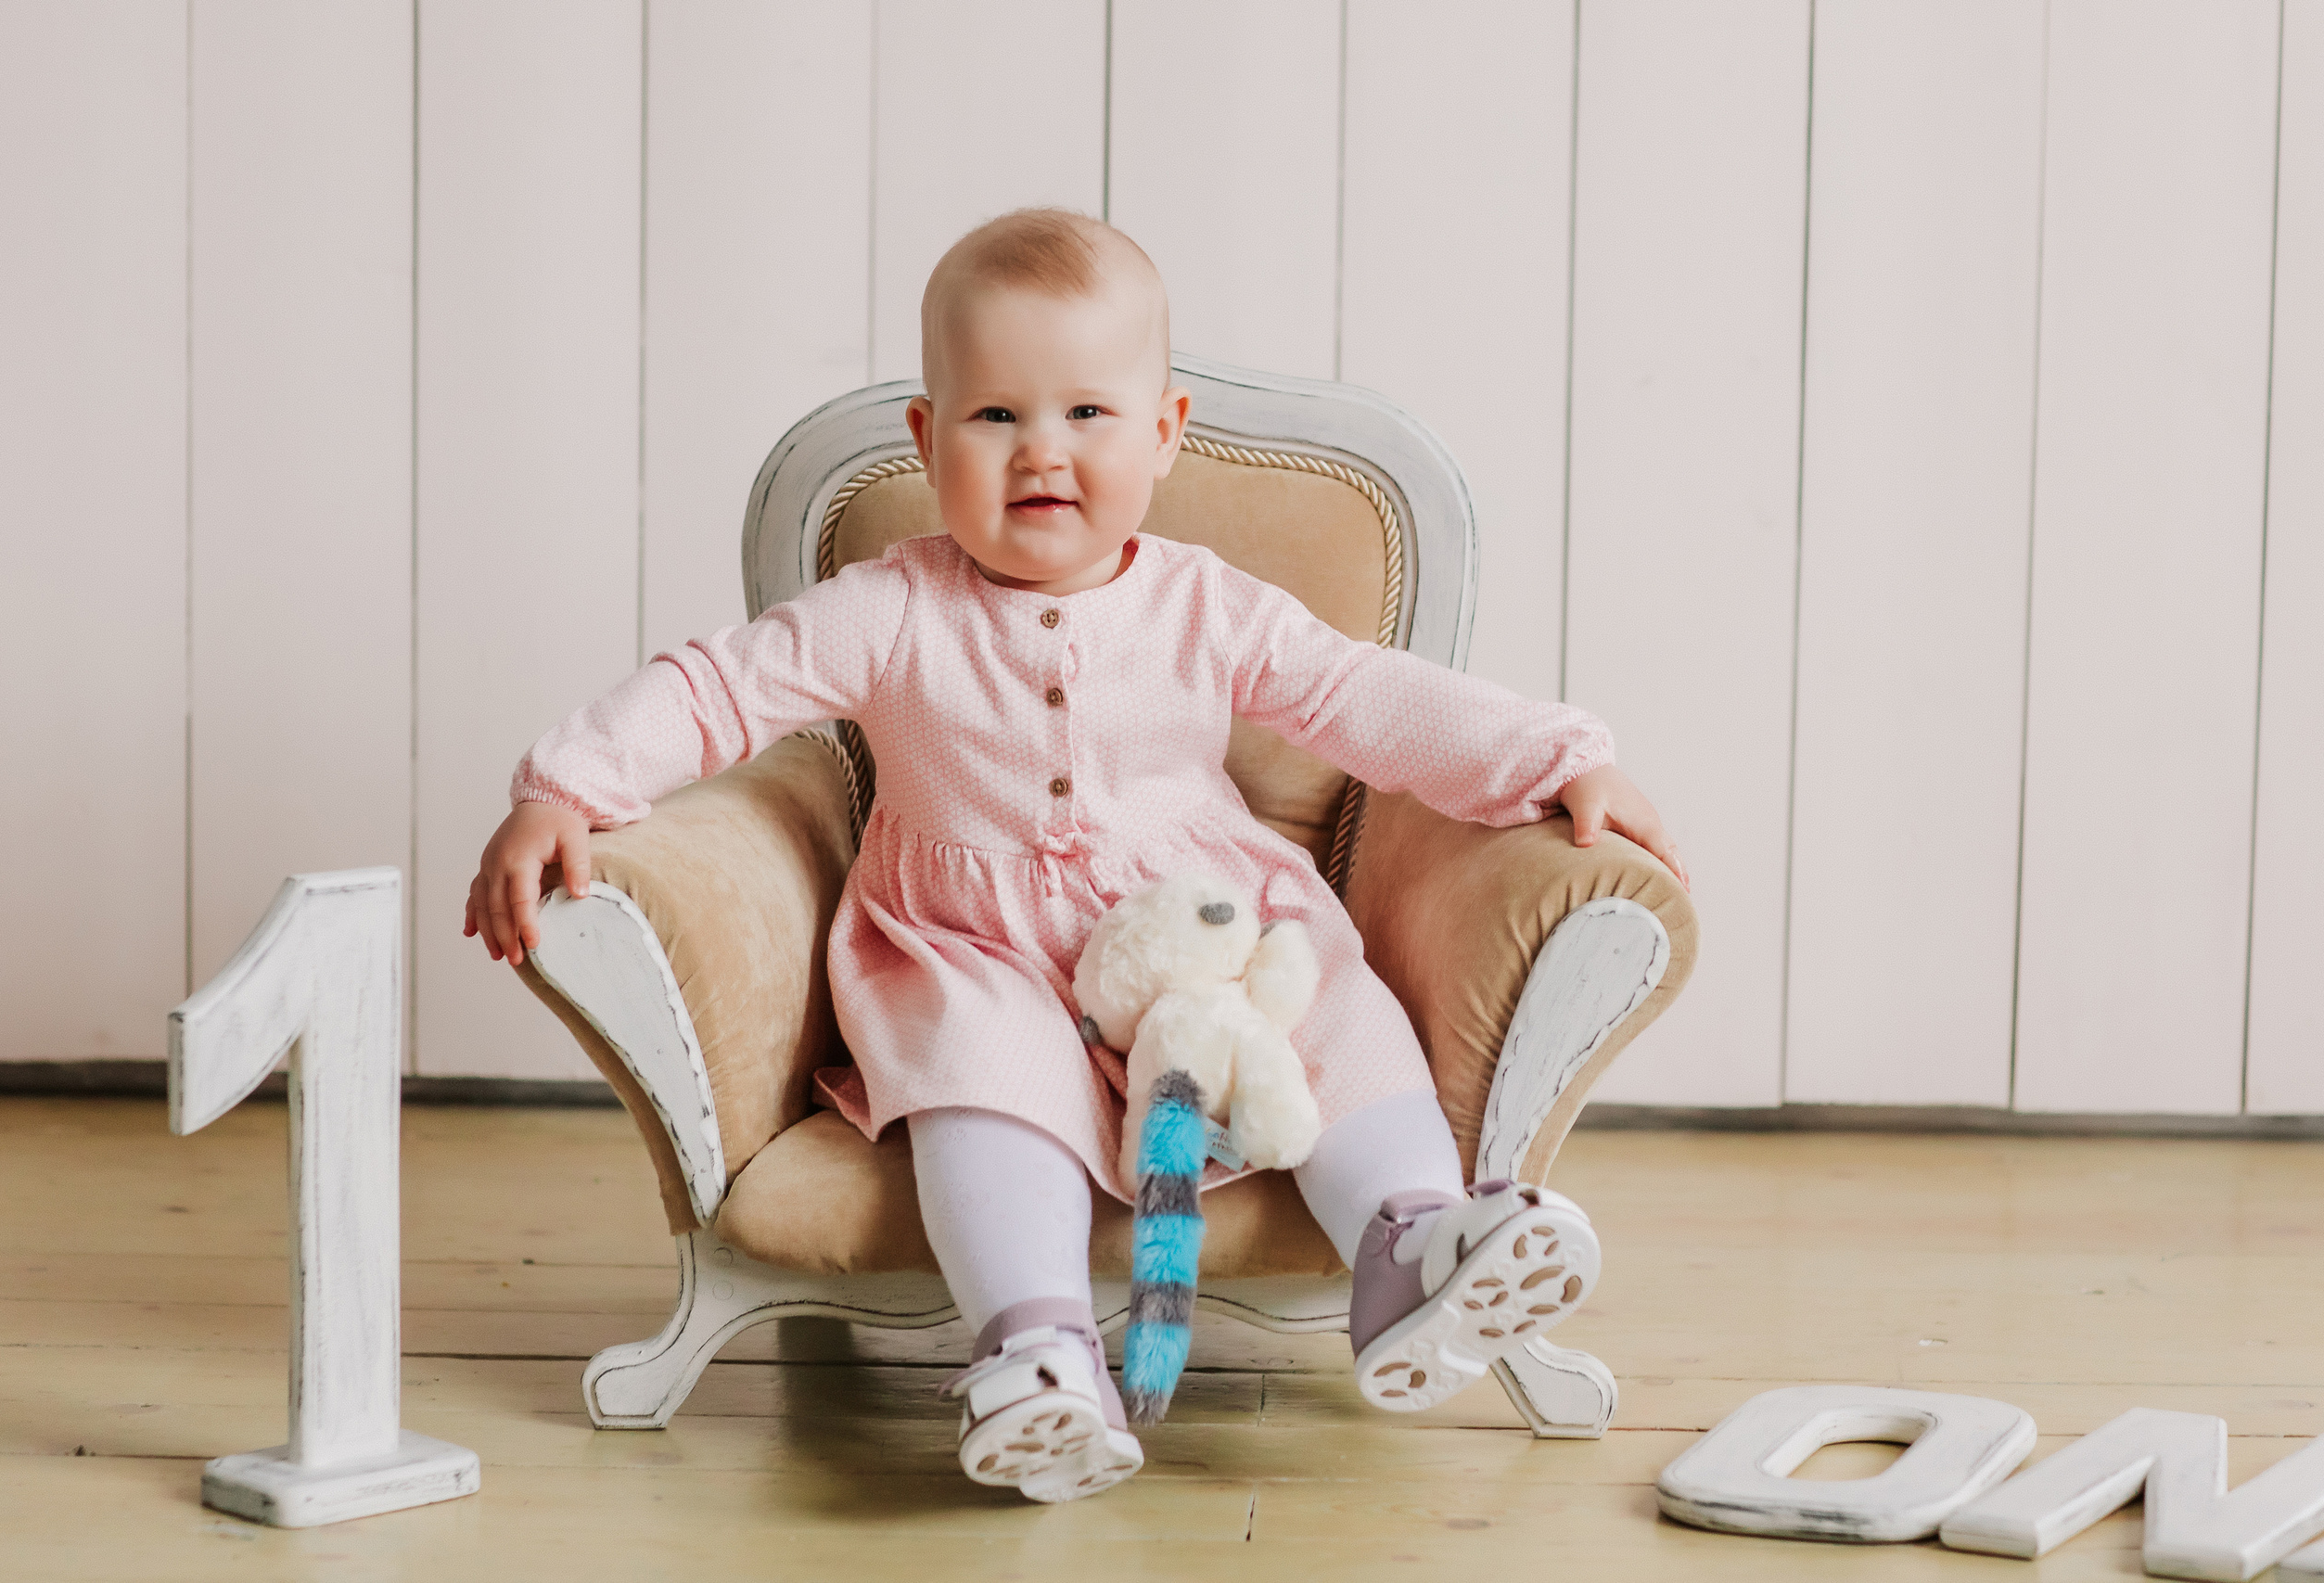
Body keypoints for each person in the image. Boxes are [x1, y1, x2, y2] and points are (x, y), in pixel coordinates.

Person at [465, 208, 1688, 1503]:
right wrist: (568, 786)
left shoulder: (1204, 604)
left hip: (1195, 924)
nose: (1041, 453)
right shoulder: (887, 608)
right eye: (995, 418)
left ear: (1163, 434)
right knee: (979, 1079)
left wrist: (1558, 759)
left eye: (1087, 417)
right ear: (929, 442)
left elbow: (1367, 698)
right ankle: (1038, 1352)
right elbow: (718, 688)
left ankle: (1412, 1247)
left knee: (1329, 996)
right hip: (967, 940)